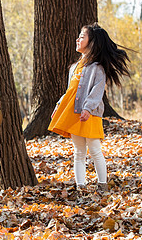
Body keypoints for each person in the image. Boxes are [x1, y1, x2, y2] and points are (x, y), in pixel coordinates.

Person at [48, 22, 130, 193]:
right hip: (74, 113)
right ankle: (81, 186)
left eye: (82, 36)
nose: (78, 39)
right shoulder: (74, 67)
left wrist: (88, 108)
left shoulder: (97, 68)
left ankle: (102, 185)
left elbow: (97, 91)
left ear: (91, 42)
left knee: (94, 149)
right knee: (78, 151)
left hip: (90, 114)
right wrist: (58, 105)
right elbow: (69, 91)